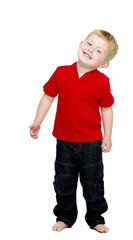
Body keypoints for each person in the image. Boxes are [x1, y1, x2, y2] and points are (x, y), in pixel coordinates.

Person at [29, 29, 118, 233]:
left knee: (93, 182)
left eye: (98, 50)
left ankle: (96, 218)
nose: (89, 50)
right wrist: (37, 121)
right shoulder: (61, 72)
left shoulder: (102, 81)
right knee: (63, 181)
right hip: (64, 141)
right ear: (80, 44)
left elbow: (107, 108)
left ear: (103, 63)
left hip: (91, 143)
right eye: (88, 44)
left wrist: (108, 135)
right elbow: (48, 97)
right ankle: (65, 216)